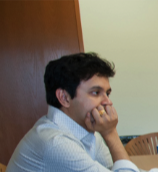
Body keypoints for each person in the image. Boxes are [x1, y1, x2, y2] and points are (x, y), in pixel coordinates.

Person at [7, 53, 139, 172]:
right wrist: (111, 133)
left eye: (107, 93)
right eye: (96, 92)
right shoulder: (56, 143)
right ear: (64, 98)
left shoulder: (87, 131)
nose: (108, 102)